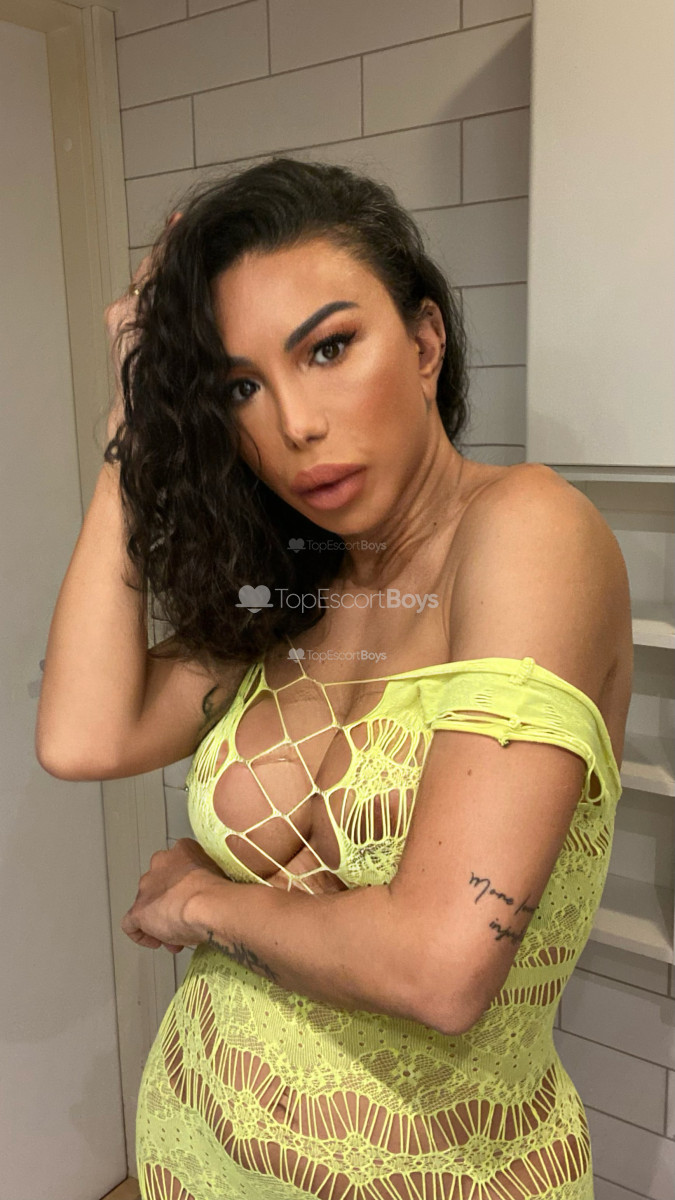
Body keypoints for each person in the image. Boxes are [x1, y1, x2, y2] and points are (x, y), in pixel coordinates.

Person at [36, 158, 633, 1200]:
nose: (295, 424)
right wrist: (137, 423)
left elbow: (440, 968)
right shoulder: (286, 588)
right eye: (241, 386)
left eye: (328, 348)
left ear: (425, 342)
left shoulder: (528, 531)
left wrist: (203, 903)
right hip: (198, 1143)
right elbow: (83, 737)